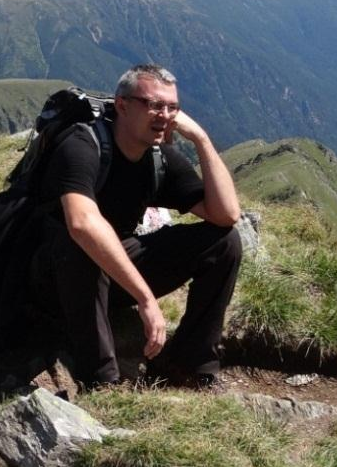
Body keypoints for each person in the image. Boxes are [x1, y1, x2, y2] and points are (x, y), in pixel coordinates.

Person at [31, 63, 242, 388]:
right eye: (154, 105)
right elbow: (81, 223)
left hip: (109, 277)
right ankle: (101, 381)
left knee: (224, 241)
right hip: (49, 279)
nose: (165, 115)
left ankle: (187, 363)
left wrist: (201, 139)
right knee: (84, 244)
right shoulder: (82, 145)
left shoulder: (158, 158)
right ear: (123, 105)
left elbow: (226, 215)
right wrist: (146, 299)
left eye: (172, 107)